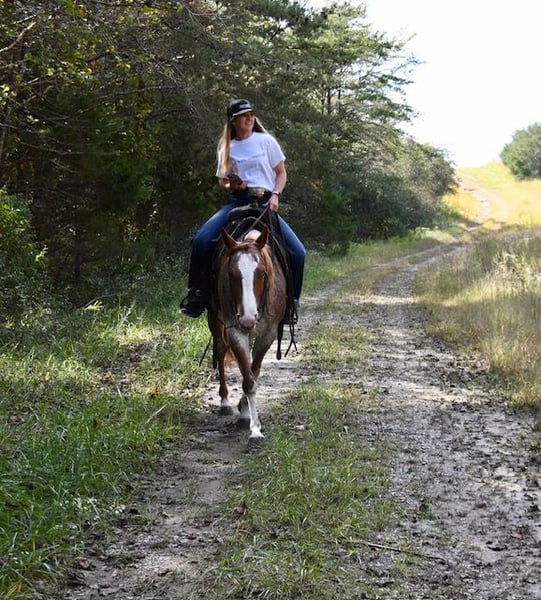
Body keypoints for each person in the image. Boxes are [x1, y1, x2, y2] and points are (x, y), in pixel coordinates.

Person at [180, 98, 306, 318]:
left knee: (298, 252)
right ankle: (196, 295)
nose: (249, 118)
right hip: (238, 201)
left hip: (265, 202)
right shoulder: (227, 147)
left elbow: (281, 173)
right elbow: (223, 181)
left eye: (251, 114)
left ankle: (290, 303)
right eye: (244, 116)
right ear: (234, 121)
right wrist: (233, 184)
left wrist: (275, 195)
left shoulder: (266, 141)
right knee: (201, 240)